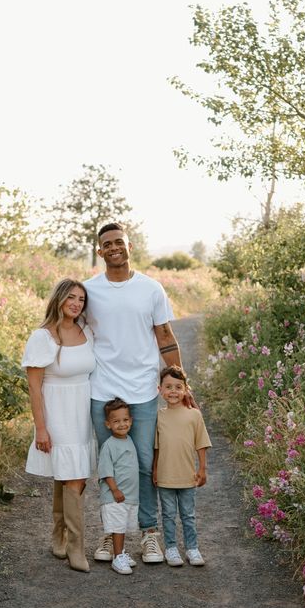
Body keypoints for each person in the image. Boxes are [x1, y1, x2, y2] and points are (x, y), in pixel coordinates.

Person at [84, 222, 196, 564]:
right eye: (108, 244)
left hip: (143, 390)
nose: (114, 247)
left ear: (129, 246)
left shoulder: (151, 288)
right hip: (103, 389)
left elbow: (165, 337)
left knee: (147, 463)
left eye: (120, 242)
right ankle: (110, 533)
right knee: (110, 464)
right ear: (100, 251)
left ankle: (149, 534)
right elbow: (69, 330)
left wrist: (180, 386)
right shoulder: (89, 290)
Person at [22, 278, 95, 573]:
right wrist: (41, 428)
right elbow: (34, 387)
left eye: (81, 299)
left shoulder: (87, 330)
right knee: (73, 475)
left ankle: (59, 535)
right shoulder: (43, 337)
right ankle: (76, 548)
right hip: (57, 410)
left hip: (84, 408)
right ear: (59, 299)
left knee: (72, 475)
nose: (76, 304)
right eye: (71, 298)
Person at [152, 365, 212, 567]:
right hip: (166, 476)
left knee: (188, 514)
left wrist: (202, 469)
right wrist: (154, 470)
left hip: (187, 475)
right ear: (159, 390)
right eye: (168, 387)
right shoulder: (159, 416)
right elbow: (157, 447)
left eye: (178, 387)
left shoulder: (194, 415)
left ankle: (192, 548)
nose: (173, 391)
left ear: (186, 389)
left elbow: (201, 443)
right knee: (168, 515)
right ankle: (170, 548)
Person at [97, 398, 139, 575]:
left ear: (131, 420)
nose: (122, 424)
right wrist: (114, 489)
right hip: (115, 497)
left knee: (123, 526)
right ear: (108, 424)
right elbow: (106, 471)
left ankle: (121, 552)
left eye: (125, 420)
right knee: (118, 528)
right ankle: (117, 557)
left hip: (129, 495)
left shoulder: (129, 439)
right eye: (116, 421)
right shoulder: (109, 445)